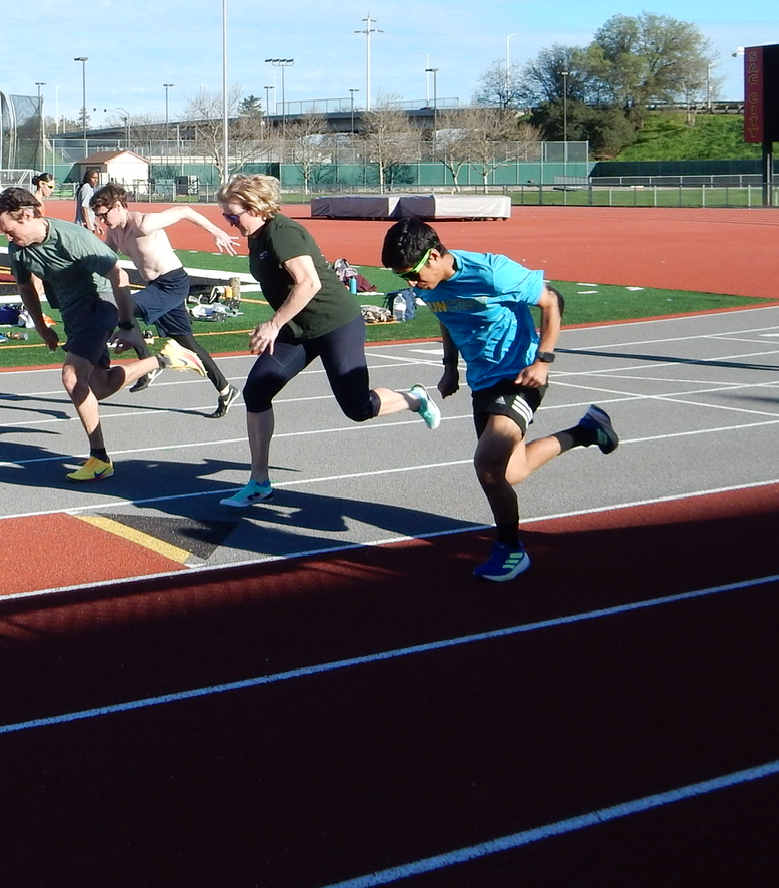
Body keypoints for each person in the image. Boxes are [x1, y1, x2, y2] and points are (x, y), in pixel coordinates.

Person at [382, 218, 618, 582]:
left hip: (520, 375)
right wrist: (450, 367)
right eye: (403, 279)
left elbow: (553, 301)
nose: (411, 284)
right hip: (482, 380)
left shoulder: (493, 274)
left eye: (412, 274)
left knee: (488, 466)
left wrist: (544, 361)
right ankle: (587, 431)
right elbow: (447, 316)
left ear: (433, 256)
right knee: (512, 471)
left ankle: (510, 549)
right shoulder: (429, 285)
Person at [214, 174, 439, 509]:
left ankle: (414, 398)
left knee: (358, 408)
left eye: (234, 216)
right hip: (299, 329)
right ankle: (259, 481)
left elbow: (308, 284)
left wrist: (273, 324)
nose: (230, 223)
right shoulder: (257, 236)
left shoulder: (282, 233)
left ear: (257, 207)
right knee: (257, 391)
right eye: (225, 217)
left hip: (336, 323)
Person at [0, 185, 205, 479]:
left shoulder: (72, 239)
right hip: (72, 314)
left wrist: (128, 325)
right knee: (100, 387)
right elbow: (25, 285)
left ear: (28, 215)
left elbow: (119, 273)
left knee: (72, 377)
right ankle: (164, 359)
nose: (8, 237)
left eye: (10, 230)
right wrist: (42, 327)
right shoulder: (18, 249)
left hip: (99, 303)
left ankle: (99, 459)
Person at [86, 182, 243, 417]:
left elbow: (185, 211)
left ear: (117, 206)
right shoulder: (115, 231)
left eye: (103, 215)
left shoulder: (144, 223)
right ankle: (225, 389)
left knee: (120, 307)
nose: (101, 221)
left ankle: (146, 364)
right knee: (187, 343)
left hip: (173, 283)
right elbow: (103, 258)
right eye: (97, 216)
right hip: (155, 286)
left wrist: (218, 233)